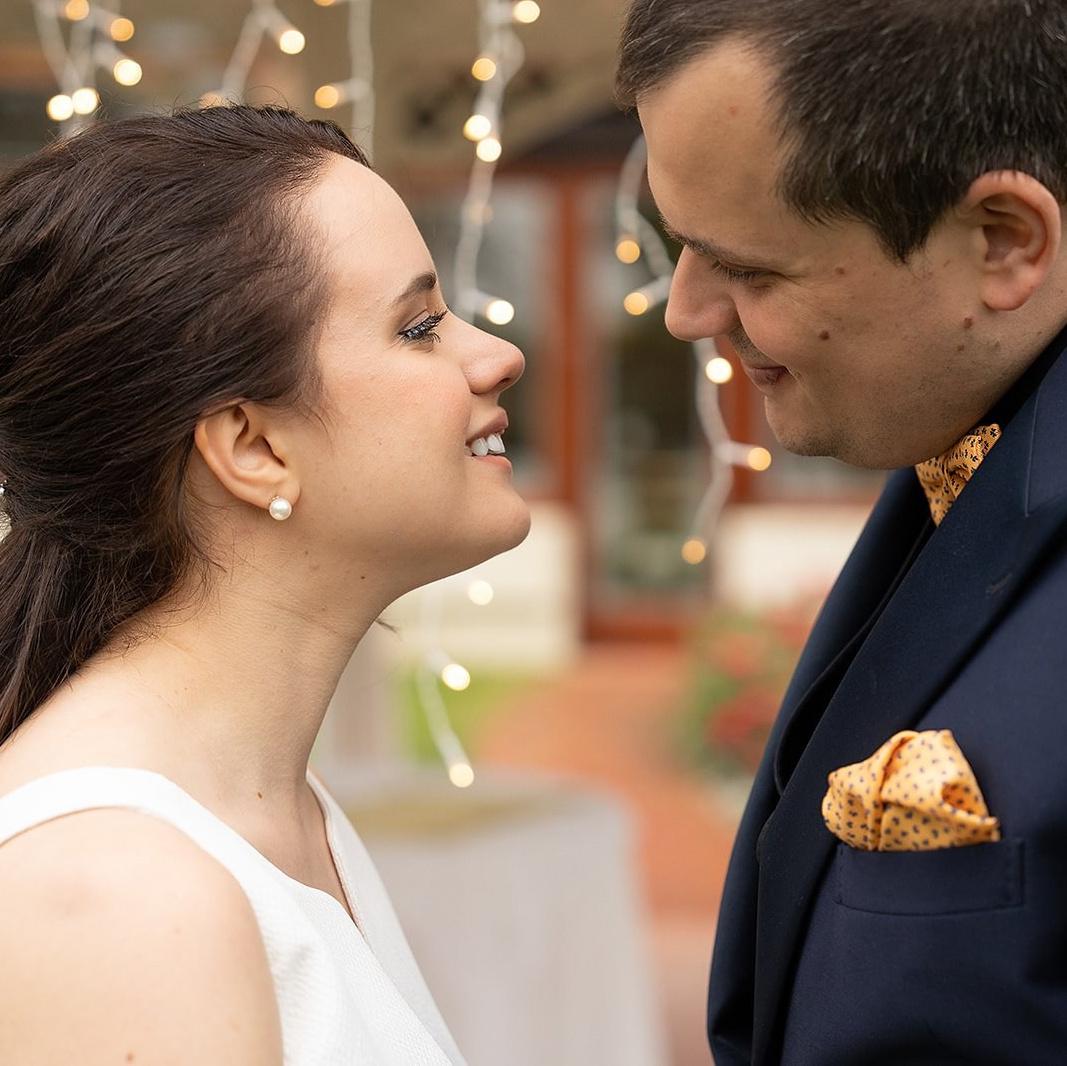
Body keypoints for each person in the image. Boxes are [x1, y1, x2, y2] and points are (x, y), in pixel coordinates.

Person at [0, 104, 528, 1065]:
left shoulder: (279, 809)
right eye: (417, 326)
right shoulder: (119, 895)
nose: (497, 355)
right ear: (252, 446)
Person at [617, 1, 1067, 1063]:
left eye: (751, 269)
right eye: (675, 246)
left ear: (1002, 243)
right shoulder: (960, 440)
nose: (685, 310)